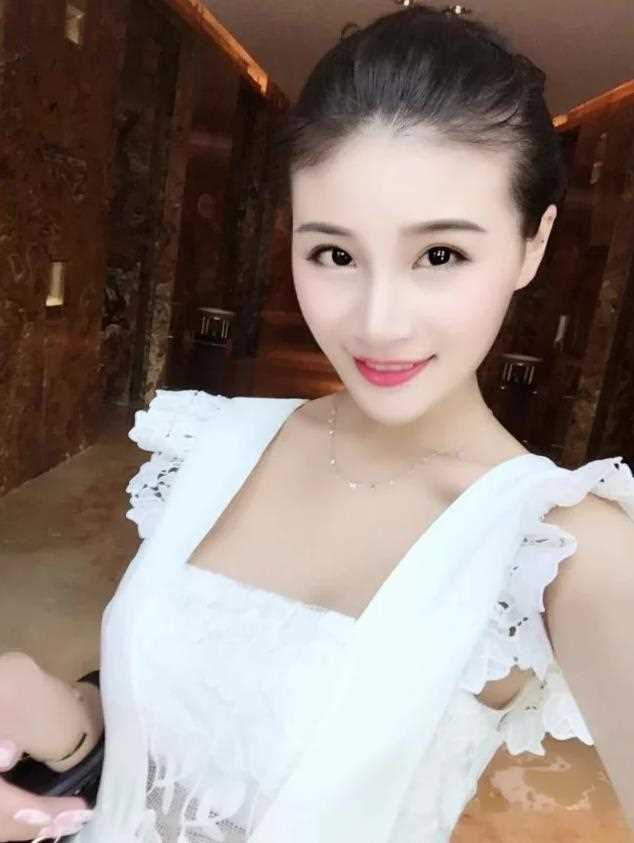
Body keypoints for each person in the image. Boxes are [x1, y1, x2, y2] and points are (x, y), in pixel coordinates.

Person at [2, 6, 634, 843]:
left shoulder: (558, 550)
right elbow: (176, 739)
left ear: (532, 244)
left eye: (440, 255)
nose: (378, 322)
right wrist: (63, 719)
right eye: (334, 253)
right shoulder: (212, 445)